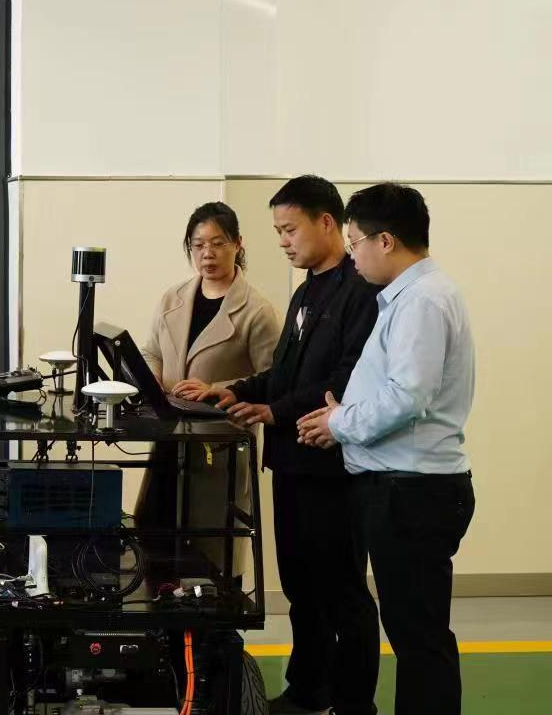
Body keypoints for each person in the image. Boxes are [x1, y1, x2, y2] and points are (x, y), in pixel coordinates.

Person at [190, 176, 382, 715]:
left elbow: (345, 380)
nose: (283, 242)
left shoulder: (359, 291)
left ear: (328, 222)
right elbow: (284, 374)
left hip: (334, 468)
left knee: (342, 592)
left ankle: (354, 703)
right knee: (301, 588)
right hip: (293, 463)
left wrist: (274, 411)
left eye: (290, 229)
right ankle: (308, 690)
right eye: (277, 231)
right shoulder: (306, 290)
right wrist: (234, 390)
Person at [298, 183, 475, 715]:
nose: (352, 255)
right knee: (414, 632)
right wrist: (345, 413)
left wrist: (340, 421)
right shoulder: (412, 296)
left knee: (418, 637)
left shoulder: (421, 301)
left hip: (412, 492)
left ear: (387, 241)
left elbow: (407, 396)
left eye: (355, 243)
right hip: (405, 488)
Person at [137, 201, 280, 574]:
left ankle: (217, 609)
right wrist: (152, 378)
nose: (207, 253)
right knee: (156, 534)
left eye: (218, 243)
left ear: (238, 244)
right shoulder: (173, 298)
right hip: (170, 436)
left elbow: (274, 378)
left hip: (220, 444)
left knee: (212, 547)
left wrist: (215, 387)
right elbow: (152, 351)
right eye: (198, 245)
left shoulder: (257, 310)